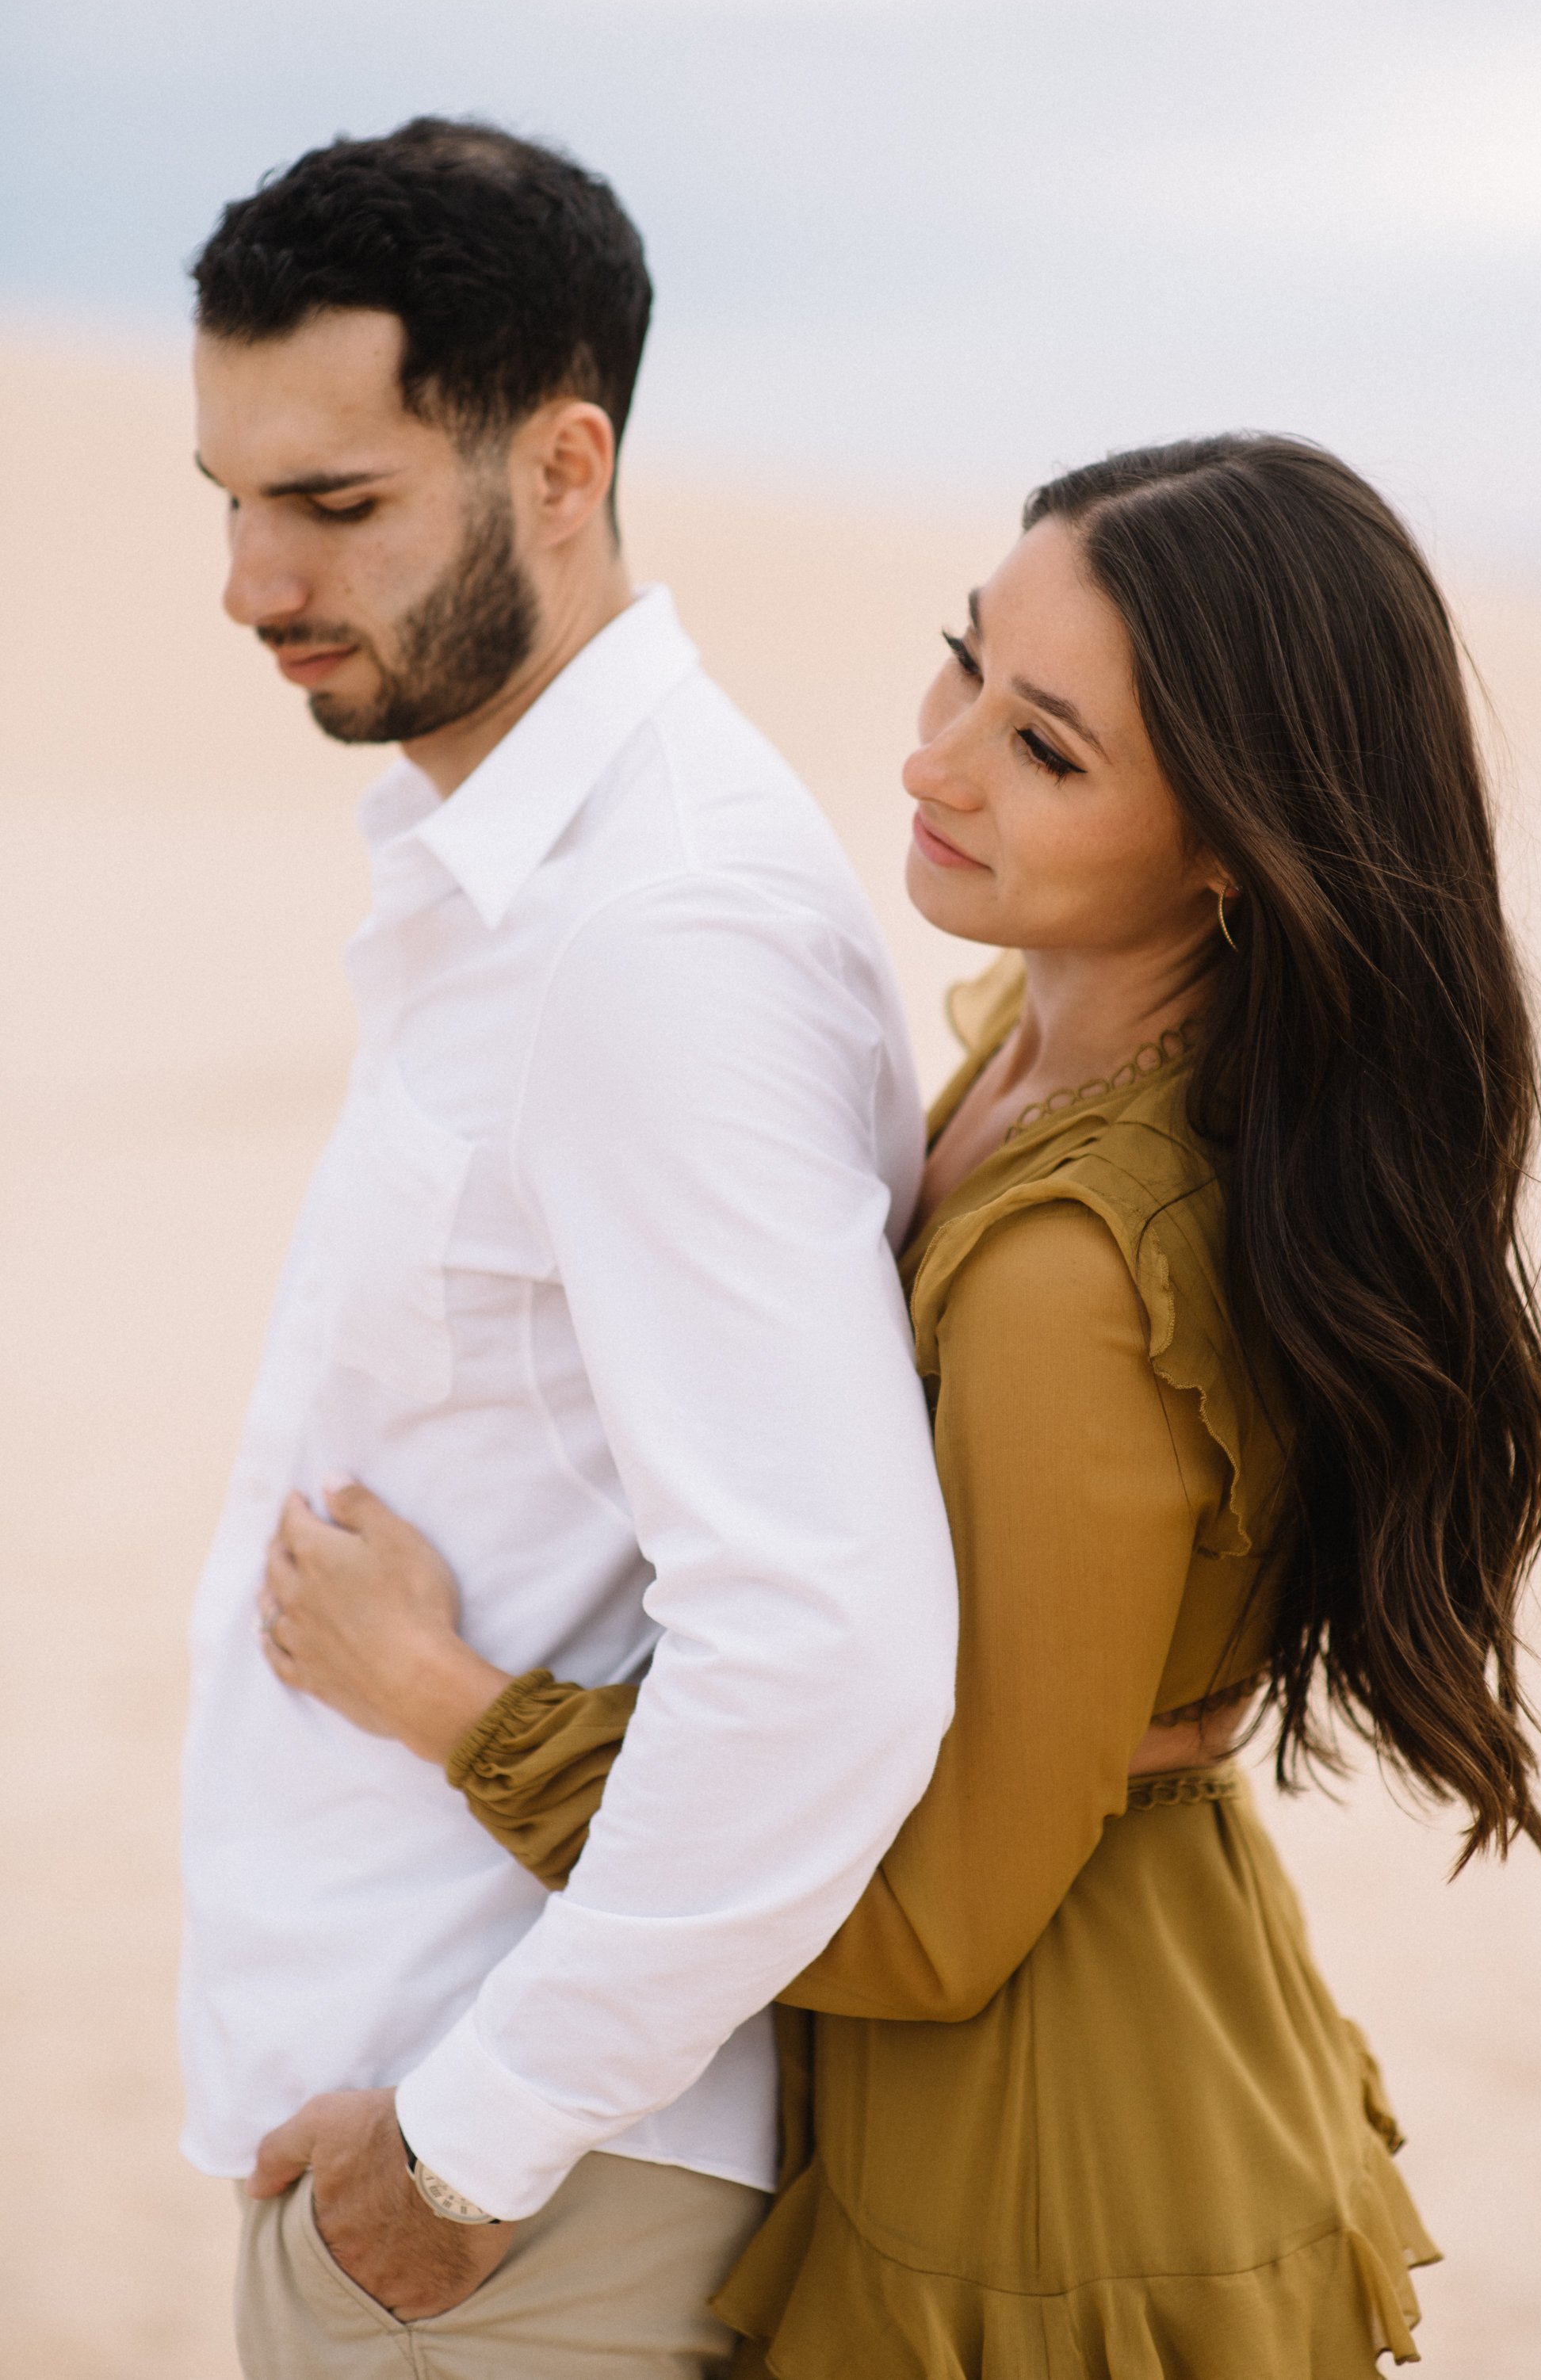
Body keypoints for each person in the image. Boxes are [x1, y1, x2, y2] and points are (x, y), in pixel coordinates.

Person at [264, 433, 1541, 2376]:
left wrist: (451, 1702)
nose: (933, 757)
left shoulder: (1078, 1274)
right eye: (963, 659)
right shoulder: (1004, 1060)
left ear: (1229, 841)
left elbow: (927, 1919)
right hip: (1076, 2029)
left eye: (1047, 748)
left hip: (1041, 2165)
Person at [178, 117, 962, 2380]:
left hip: (527, 2205)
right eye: (230, 497)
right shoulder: (518, 881)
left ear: (562, 461)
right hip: (442, 2144)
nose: (251, 580)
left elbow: (826, 1642)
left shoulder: (660, 929)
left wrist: (468, 2146)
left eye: (336, 507)